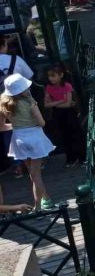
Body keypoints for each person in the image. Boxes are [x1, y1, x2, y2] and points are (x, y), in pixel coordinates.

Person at [1, 74, 54, 210]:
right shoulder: (30, 102)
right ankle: (38, 207)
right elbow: (42, 123)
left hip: (19, 139)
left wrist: (17, 125)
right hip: (34, 137)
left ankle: (46, 199)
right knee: (36, 173)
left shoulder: (4, 103)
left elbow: (2, 126)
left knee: (33, 173)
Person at [42, 65, 85, 167]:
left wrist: (54, 102)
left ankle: (82, 157)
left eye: (53, 76)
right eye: (49, 76)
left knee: (75, 135)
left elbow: (68, 104)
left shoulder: (67, 86)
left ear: (61, 75)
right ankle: (71, 158)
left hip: (70, 113)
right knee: (64, 136)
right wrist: (61, 101)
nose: (51, 78)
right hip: (58, 114)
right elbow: (46, 104)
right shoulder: (48, 87)